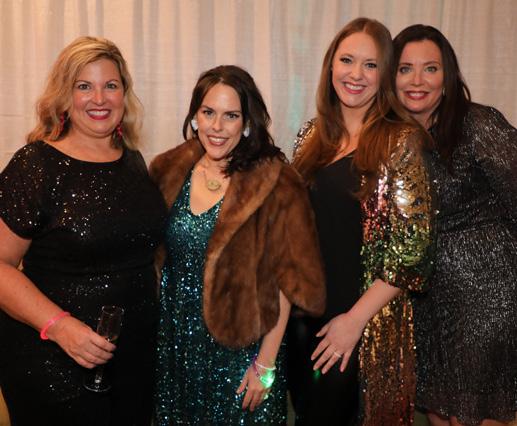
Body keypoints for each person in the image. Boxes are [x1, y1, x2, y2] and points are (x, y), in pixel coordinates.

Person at [0, 36, 167, 426]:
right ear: (65, 96)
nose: (99, 98)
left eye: (110, 85)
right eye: (84, 86)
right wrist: (60, 327)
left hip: (133, 359)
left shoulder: (134, 161)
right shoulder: (36, 164)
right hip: (54, 362)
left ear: (124, 93)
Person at [150, 65, 325, 425]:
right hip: (175, 352)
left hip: (242, 354)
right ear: (195, 117)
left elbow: (287, 281)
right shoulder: (166, 170)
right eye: (208, 112)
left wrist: (265, 365)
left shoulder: (276, 181)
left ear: (246, 123)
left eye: (230, 116)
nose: (217, 126)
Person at [290, 17, 434, 425]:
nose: (356, 74)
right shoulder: (310, 136)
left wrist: (353, 322)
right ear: (330, 65)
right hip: (304, 324)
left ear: (384, 75)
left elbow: (413, 252)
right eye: (347, 60)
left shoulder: (400, 140)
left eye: (370, 65)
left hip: (362, 328)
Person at [393, 24, 517, 426]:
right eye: (405, 68)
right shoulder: (391, 137)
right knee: (439, 410)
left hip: (487, 294)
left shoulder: (477, 123)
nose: (417, 80)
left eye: (430, 68)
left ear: (447, 76)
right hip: (427, 299)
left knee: (476, 415)